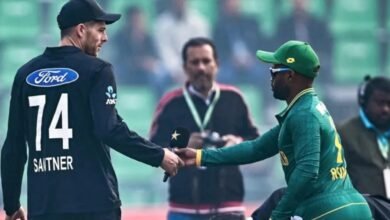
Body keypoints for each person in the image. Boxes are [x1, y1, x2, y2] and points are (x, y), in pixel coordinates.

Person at [1, 0, 183, 220]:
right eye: (101, 30)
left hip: (44, 206)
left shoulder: (25, 74)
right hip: (93, 204)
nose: (105, 38)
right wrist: (159, 155)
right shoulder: (98, 70)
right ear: (81, 30)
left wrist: (11, 204)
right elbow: (109, 129)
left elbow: (13, 147)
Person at [176, 40, 372, 219]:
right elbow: (256, 148)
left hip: (328, 212)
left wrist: (279, 214)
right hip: (349, 205)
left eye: (273, 71)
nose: (270, 78)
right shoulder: (305, 108)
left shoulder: (304, 114)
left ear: (290, 75)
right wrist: (200, 157)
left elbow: (307, 170)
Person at [150, 37, 259, 220]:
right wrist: (182, 145)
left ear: (217, 64)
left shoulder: (234, 99)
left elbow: (256, 143)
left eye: (206, 61)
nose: (201, 67)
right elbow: (152, 149)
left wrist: (237, 144)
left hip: (229, 205)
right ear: (185, 67)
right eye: (194, 62)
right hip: (184, 207)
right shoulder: (170, 103)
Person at [338, 75, 390, 198]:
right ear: (364, 102)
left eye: (389, 104)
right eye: (380, 103)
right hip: (364, 212)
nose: (386, 109)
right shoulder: (344, 133)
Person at [111, 5, 170, 98]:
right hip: (127, 71)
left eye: (139, 20)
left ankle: (159, 105)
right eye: (134, 20)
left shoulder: (148, 37)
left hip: (144, 72)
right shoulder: (119, 37)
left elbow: (155, 56)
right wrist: (139, 62)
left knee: (159, 76)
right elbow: (119, 58)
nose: (137, 23)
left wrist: (150, 63)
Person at [154, 0, 210, 84]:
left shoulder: (199, 22)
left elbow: (201, 50)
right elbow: (165, 52)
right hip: (169, 68)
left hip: (194, 65)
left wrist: (190, 69)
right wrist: (177, 70)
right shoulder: (161, 24)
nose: (179, 2)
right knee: (158, 77)